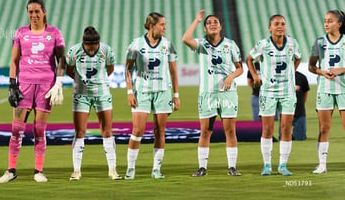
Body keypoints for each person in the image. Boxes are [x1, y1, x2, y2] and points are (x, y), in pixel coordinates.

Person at [0, 0, 66, 183]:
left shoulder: (54, 33)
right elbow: (14, 61)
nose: (34, 15)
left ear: (44, 11)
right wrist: (12, 85)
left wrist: (58, 82)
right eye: (30, 12)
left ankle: (38, 171)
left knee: (39, 130)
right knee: (16, 129)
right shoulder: (20, 33)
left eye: (37, 11)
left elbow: (61, 59)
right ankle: (11, 170)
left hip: (46, 86)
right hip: (25, 85)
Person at [183, 10, 243, 177]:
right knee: (205, 131)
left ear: (221, 26)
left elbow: (240, 68)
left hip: (227, 94)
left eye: (215, 22)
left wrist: (231, 76)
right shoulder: (202, 44)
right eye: (208, 23)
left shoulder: (230, 45)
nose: (212, 24)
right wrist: (196, 20)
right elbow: (185, 39)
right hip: (207, 94)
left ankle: (232, 167)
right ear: (205, 28)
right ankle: (202, 167)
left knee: (230, 131)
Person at [124, 12, 180, 180]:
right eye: (162, 24)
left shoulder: (168, 44)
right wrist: (129, 92)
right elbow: (127, 69)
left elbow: (173, 71)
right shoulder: (136, 44)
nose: (165, 27)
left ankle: (156, 169)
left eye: (164, 24)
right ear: (151, 25)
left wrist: (176, 95)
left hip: (163, 92)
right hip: (142, 91)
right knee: (137, 130)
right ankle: (130, 168)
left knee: (159, 131)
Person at [246, 14, 301, 176]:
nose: (280, 26)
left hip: (287, 92)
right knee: (268, 129)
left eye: (283, 24)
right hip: (268, 91)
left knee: (285, 128)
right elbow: (249, 59)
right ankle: (267, 165)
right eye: (276, 24)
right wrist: (255, 76)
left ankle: (283, 165)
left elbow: (298, 58)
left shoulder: (292, 43)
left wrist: (291, 73)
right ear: (270, 27)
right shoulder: (263, 45)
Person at [66, 26, 121, 181]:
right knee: (80, 132)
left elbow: (110, 69)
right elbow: (69, 69)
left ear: (98, 43)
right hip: (81, 95)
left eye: (94, 47)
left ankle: (112, 169)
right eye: (89, 47)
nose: (91, 50)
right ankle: (76, 171)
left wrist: (98, 82)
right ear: (83, 43)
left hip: (102, 93)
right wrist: (79, 81)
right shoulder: (74, 51)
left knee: (107, 131)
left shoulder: (106, 50)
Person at [309, 9, 345, 174]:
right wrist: (323, 72)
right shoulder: (319, 42)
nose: (326, 23)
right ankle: (322, 164)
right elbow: (311, 66)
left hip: (343, 89)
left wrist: (341, 69)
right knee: (324, 128)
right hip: (325, 89)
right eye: (325, 21)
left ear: (339, 24)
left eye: (330, 21)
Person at [292, 71, 309, 140]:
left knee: (300, 138)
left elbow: (305, 92)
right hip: (285, 112)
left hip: (299, 112)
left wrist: (302, 104)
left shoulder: (301, 77)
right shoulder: (280, 77)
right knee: (284, 138)